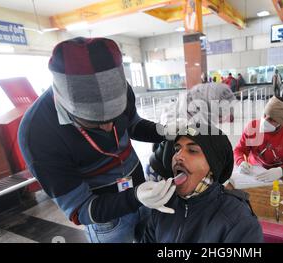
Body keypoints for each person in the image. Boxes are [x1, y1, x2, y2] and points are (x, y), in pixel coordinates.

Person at [18, 37, 176, 243]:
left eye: (114, 117)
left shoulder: (119, 87)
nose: (109, 127)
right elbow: (79, 209)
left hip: (144, 196)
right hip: (107, 222)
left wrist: (165, 131)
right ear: (67, 108)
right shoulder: (38, 134)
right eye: (95, 123)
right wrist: (134, 197)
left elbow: (133, 124)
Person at [141, 125, 263, 243]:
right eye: (177, 149)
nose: (178, 156)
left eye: (192, 150)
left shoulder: (238, 220)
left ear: (213, 165)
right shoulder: (162, 206)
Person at [145, 83, 236, 181]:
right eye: (219, 113)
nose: (219, 119)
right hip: (162, 176)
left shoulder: (190, 117)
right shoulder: (184, 124)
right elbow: (167, 161)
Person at [234, 96, 283, 181]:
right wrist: (241, 161)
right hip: (253, 173)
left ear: (282, 122)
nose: (265, 121)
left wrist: (282, 171)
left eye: (272, 120)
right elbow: (239, 150)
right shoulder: (253, 127)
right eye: (264, 115)